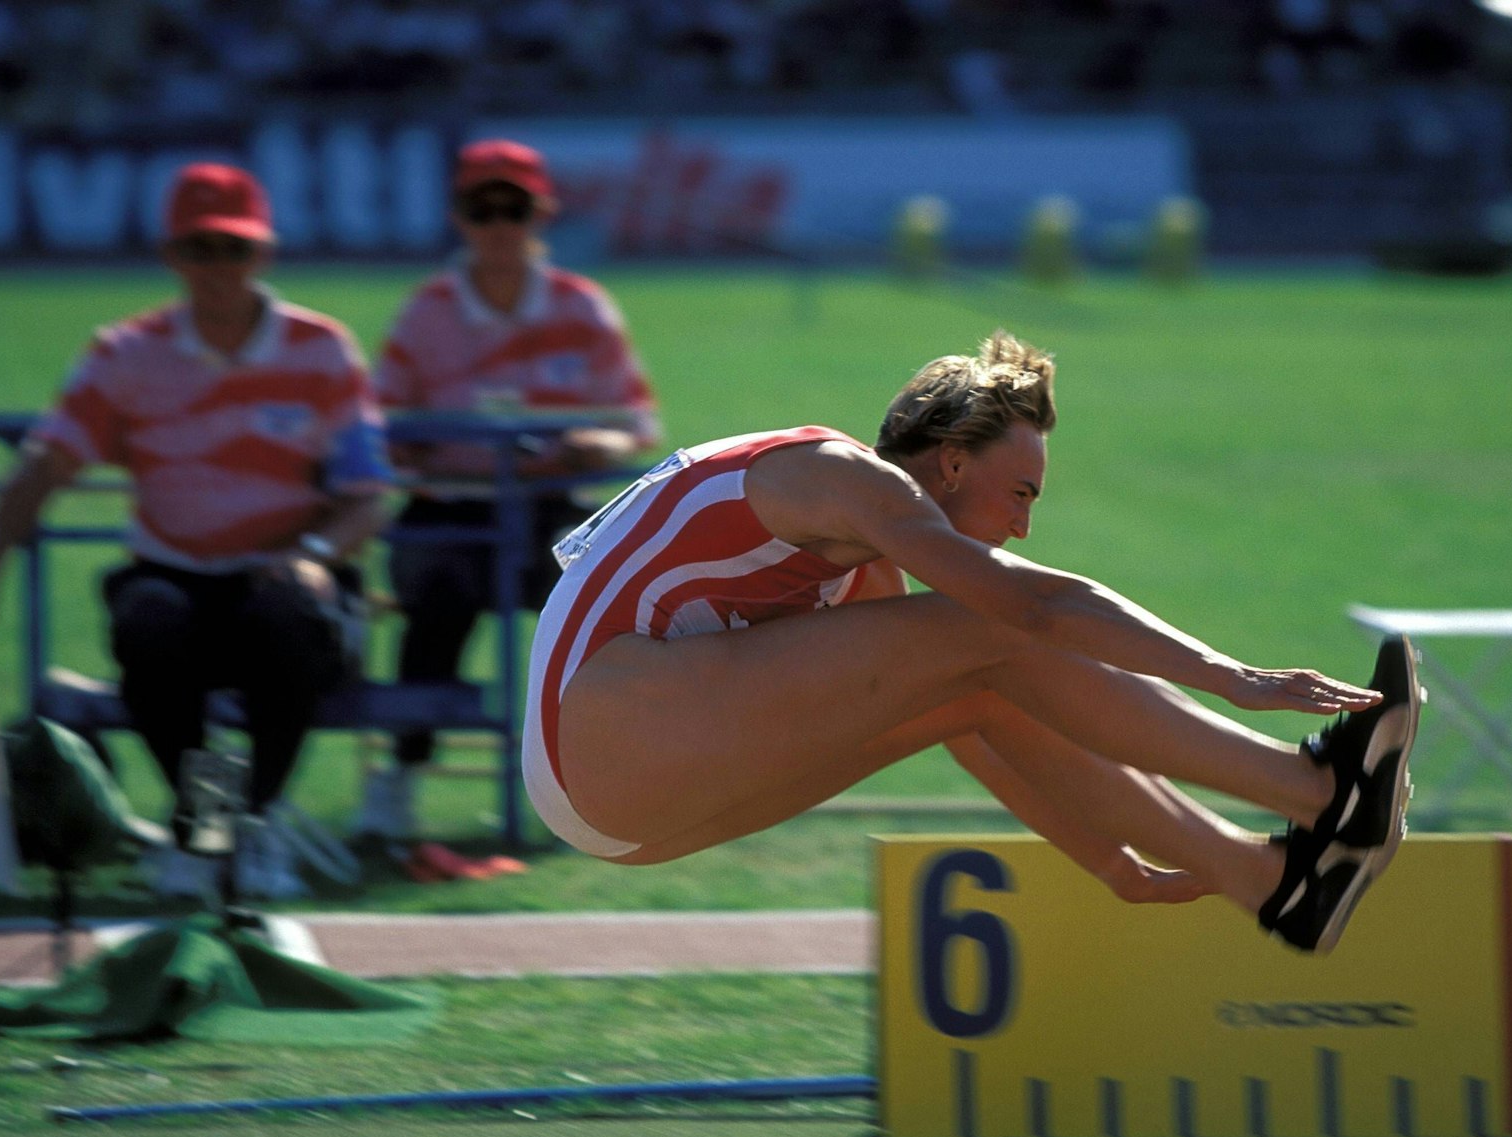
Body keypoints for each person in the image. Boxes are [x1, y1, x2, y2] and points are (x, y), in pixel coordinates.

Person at [524, 331, 1421, 953]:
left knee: (975, 675)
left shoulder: (862, 562)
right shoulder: (838, 479)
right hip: (602, 729)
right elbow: (1033, 611)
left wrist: (1112, 866)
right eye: (1021, 492)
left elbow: (972, 722)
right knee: (996, 624)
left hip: (618, 807)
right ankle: (1318, 791)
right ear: (952, 462)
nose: (1023, 525)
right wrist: (1236, 677)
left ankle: (1271, 885)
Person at [0, 161, 393, 899]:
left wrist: (312, 555)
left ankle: (253, 822)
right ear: (171, 256)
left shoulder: (323, 348)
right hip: (175, 573)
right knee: (150, 621)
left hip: (286, 573)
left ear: (265, 254)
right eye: (200, 249)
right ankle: (206, 827)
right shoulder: (125, 353)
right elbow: (44, 465)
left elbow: (368, 496)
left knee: (287, 619)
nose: (218, 268)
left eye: (234, 249)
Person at [354, 138, 660, 846]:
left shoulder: (584, 307)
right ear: (459, 217)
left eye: (512, 208)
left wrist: (599, 445)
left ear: (541, 214)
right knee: (435, 601)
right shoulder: (424, 312)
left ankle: (593, 786)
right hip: (447, 506)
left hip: (553, 508)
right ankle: (400, 777)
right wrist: (423, 443)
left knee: (605, 609)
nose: (497, 225)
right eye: (480, 208)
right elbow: (380, 426)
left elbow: (634, 421)